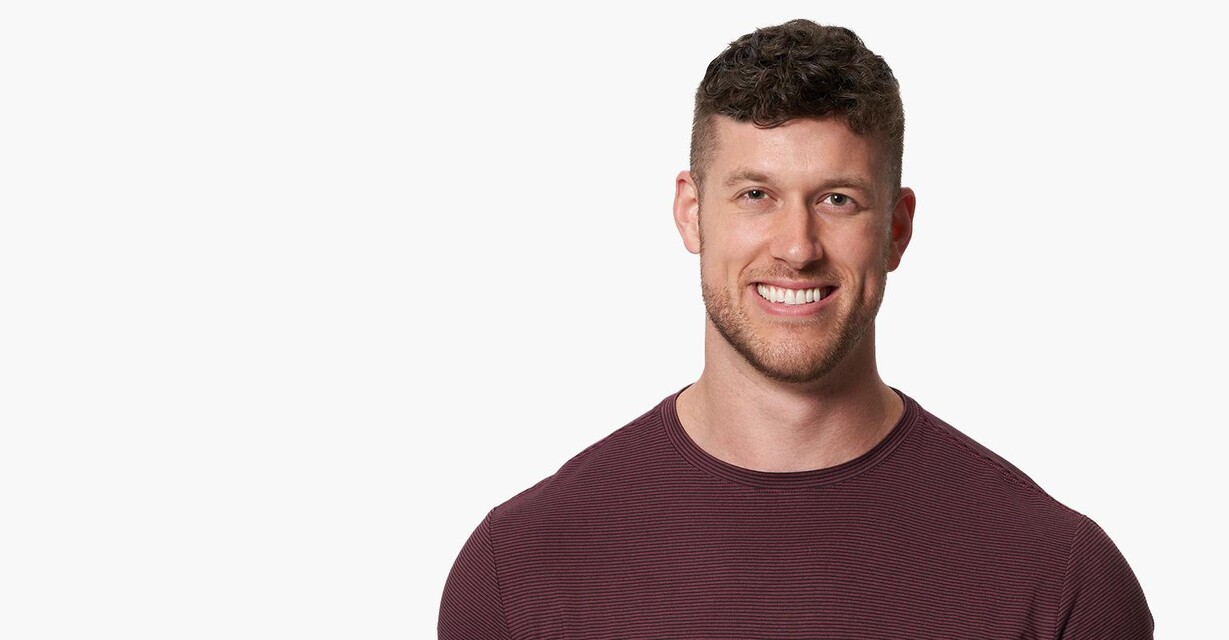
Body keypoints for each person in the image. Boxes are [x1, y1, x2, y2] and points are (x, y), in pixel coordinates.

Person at [438, 19, 1153, 639]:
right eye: (756, 194)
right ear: (691, 212)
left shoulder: (1060, 580)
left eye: (837, 200)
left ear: (897, 228)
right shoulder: (519, 571)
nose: (797, 246)